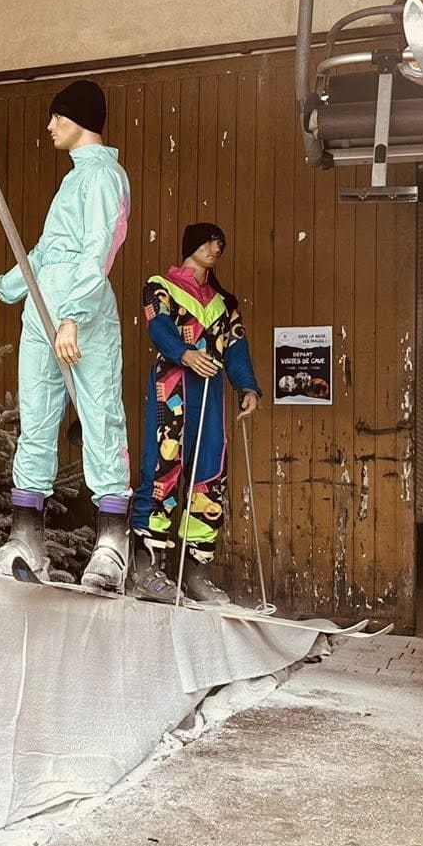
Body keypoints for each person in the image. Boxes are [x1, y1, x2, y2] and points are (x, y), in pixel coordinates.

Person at [0, 78, 133, 591]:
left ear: (78, 119)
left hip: (80, 316)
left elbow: (100, 248)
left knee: (99, 416)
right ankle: (27, 540)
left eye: (57, 116)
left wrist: (73, 314)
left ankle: (112, 547)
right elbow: (43, 255)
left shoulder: (103, 177)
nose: (50, 125)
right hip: (41, 312)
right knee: (37, 422)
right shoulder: (72, 180)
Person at [131, 223, 261, 605]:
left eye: (220, 242)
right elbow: (158, 326)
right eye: (208, 241)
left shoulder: (225, 301)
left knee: (210, 476)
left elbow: (235, 347)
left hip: (212, 393)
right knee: (163, 469)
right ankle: (147, 568)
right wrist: (184, 353)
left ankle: (195, 574)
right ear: (191, 245)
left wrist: (247, 387)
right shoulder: (161, 286)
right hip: (171, 388)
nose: (215, 247)